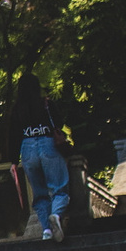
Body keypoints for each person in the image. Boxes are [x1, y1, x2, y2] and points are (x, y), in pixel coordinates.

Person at [12, 74, 74, 242]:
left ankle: (46, 229)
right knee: (59, 187)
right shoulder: (46, 103)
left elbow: (14, 135)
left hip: (27, 148)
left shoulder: (17, 108)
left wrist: (13, 161)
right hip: (48, 145)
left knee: (39, 193)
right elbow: (59, 123)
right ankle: (56, 214)